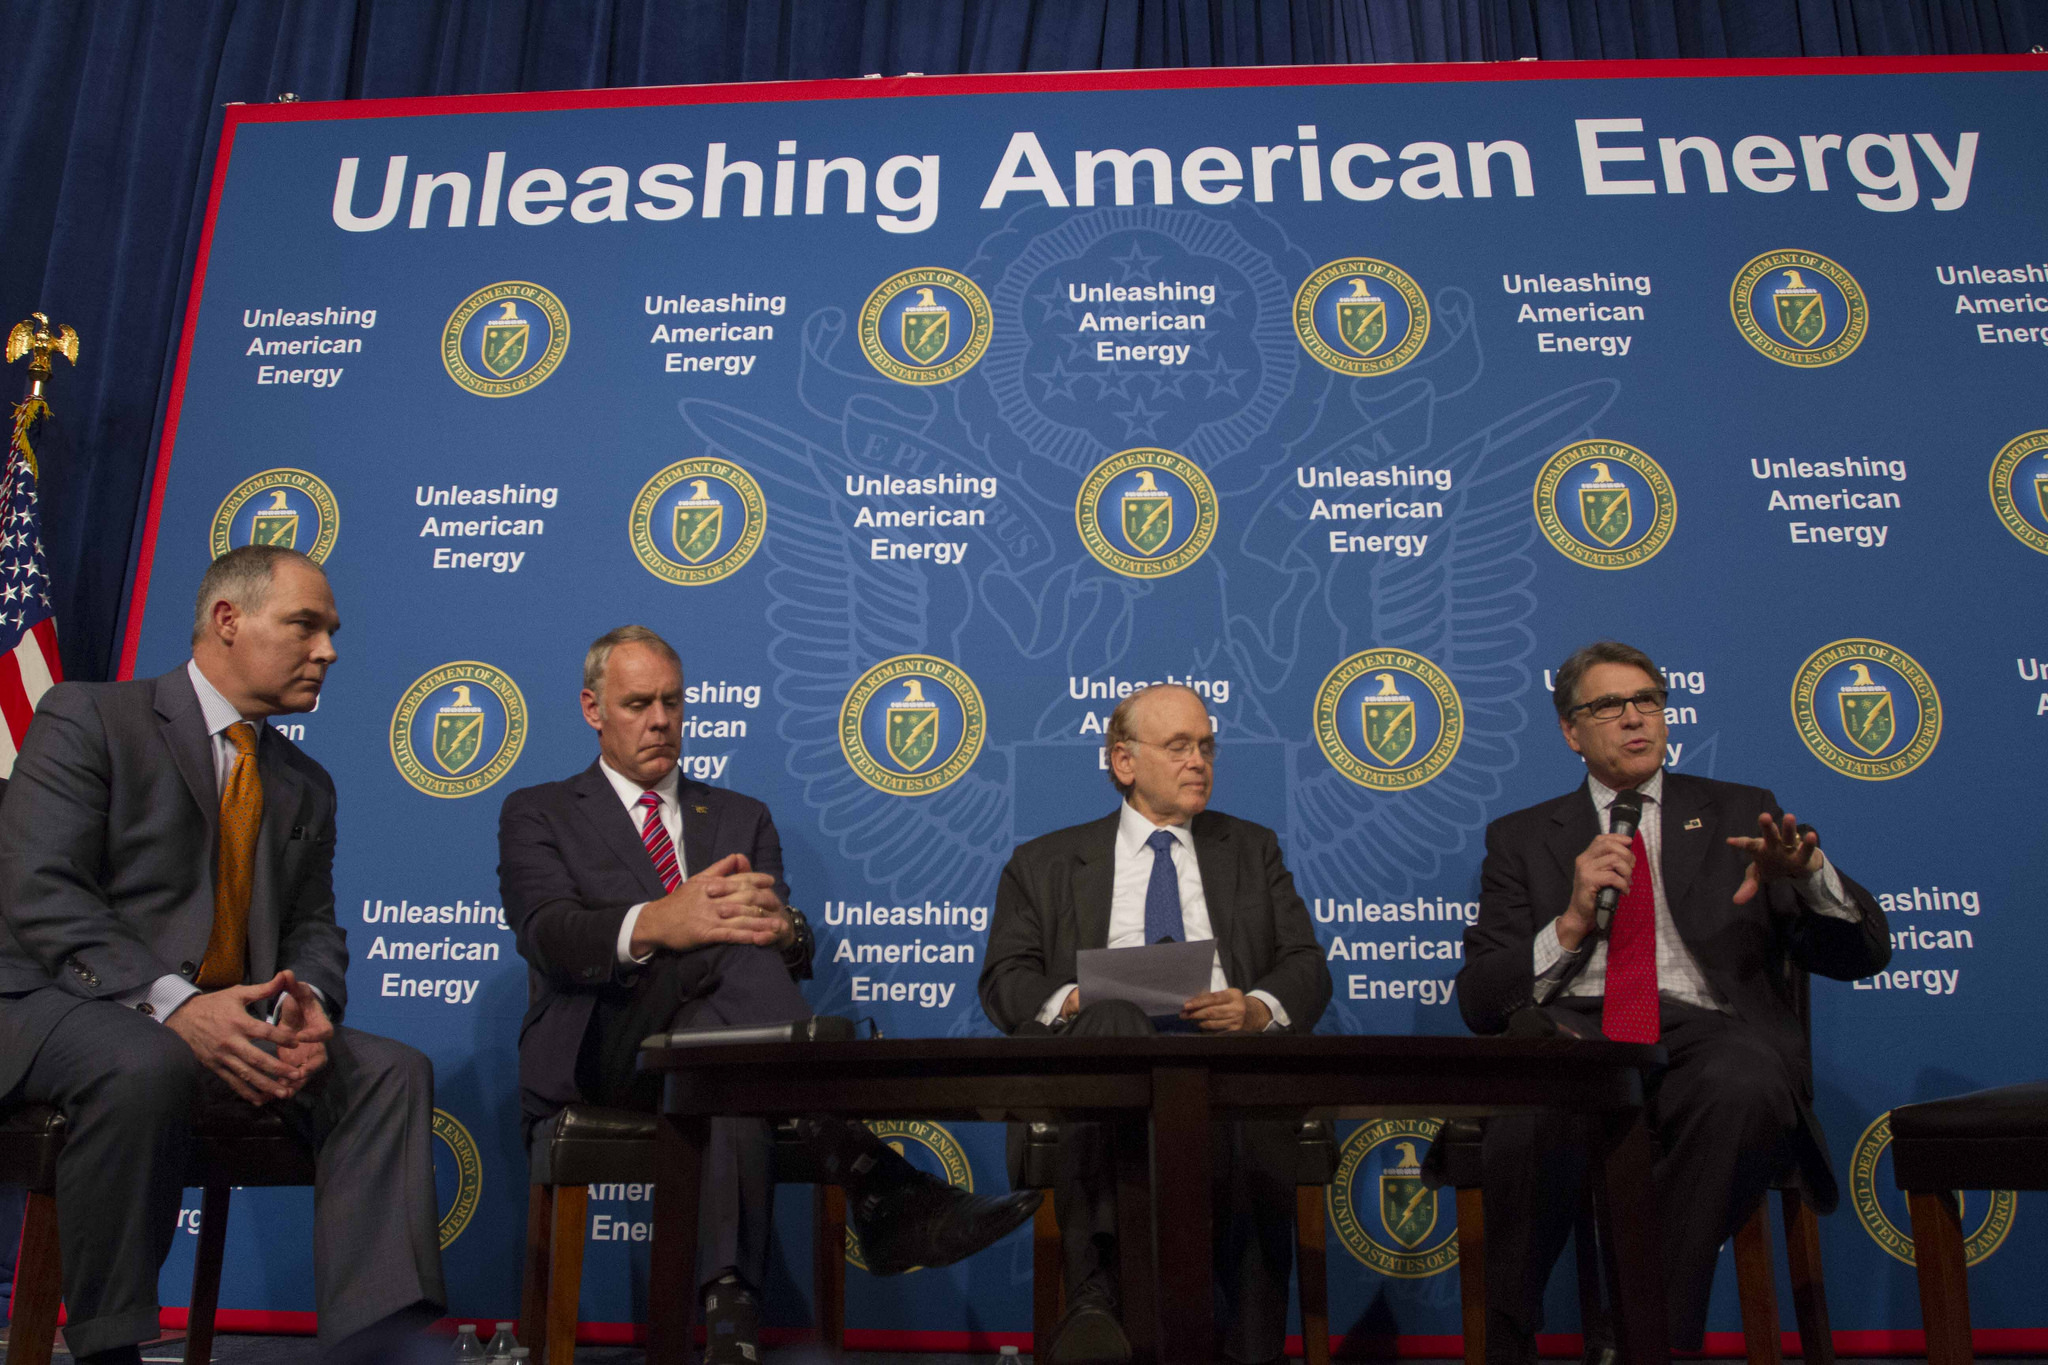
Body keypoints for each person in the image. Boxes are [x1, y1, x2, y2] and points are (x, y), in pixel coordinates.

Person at [497, 625, 1040, 1365]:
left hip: (717, 1046)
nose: (661, 719)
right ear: (593, 708)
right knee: (724, 949)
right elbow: (549, 934)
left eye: (672, 701)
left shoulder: (738, 815)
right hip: (603, 1047)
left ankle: (731, 1317)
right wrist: (670, 919)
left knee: (731, 1056)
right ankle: (873, 1176)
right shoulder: (540, 810)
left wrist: (785, 929)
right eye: (637, 703)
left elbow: (773, 949)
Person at [0, 546, 444, 1365]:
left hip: (224, 1021)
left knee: (391, 1071)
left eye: (332, 632)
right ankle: (109, 1344)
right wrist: (175, 1005)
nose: (330, 651)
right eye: (306, 626)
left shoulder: (305, 781)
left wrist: (305, 997)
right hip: (63, 1007)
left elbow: (316, 925)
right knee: (141, 1060)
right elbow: (40, 891)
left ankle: (376, 1344)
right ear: (227, 621)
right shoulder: (89, 716)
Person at [1458, 640, 1891, 1361]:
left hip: (1709, 1034)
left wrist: (1812, 872)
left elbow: (1863, 954)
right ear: (1571, 730)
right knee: (1535, 1097)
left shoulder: (1742, 811)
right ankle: (1509, 1338)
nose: (1635, 718)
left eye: (1649, 700)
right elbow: (1478, 999)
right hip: (1578, 1029)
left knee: (1747, 1081)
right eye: (1609, 705)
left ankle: (1638, 1338)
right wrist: (1566, 921)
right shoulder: (1525, 838)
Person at [980, 683, 1330, 1365]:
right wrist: (1082, 1000)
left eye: (1206, 745)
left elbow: (1305, 967)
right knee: (1113, 1014)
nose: (1199, 759)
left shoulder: (1251, 849)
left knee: (1251, 1077)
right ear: (1124, 761)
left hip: (1225, 1061)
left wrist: (1255, 1006)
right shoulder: (1045, 861)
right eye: (1178, 746)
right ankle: (1095, 1300)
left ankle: (1248, 1347)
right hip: (1104, 1060)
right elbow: (1005, 980)